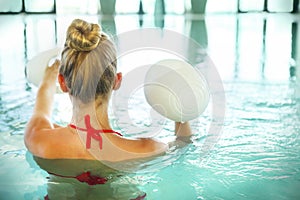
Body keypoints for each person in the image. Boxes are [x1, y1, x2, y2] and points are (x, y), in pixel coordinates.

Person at [24, 19, 192, 200]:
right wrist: (180, 112)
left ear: (63, 83)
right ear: (116, 81)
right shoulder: (146, 148)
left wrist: (48, 79)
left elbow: (41, 110)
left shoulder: (39, 140)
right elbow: (183, 143)